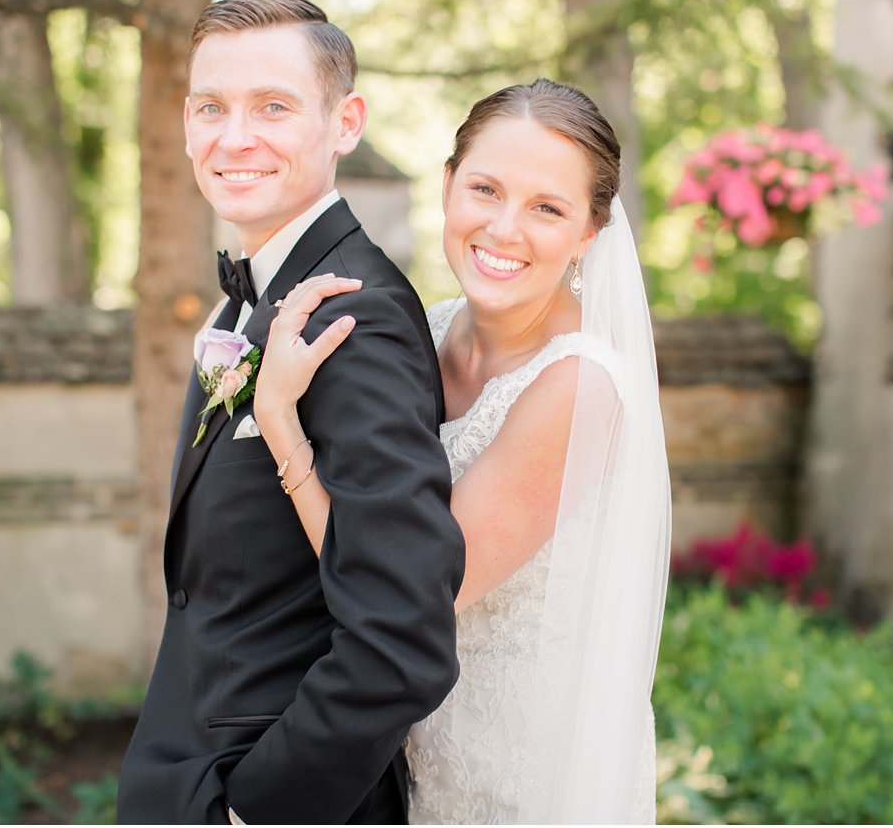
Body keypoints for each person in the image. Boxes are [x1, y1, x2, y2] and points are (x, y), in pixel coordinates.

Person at [256, 79, 672, 823]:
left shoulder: (580, 387)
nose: (505, 228)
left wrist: (282, 426)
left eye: (548, 208)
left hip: (520, 774)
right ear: (448, 187)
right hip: (406, 751)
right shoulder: (427, 327)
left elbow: (409, 593)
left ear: (589, 233)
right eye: (485, 188)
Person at [116, 0, 465, 825]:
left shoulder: (355, 313)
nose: (234, 137)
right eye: (211, 107)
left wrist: (255, 811)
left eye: (273, 106)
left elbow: (403, 639)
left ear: (345, 123)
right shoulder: (250, 299)